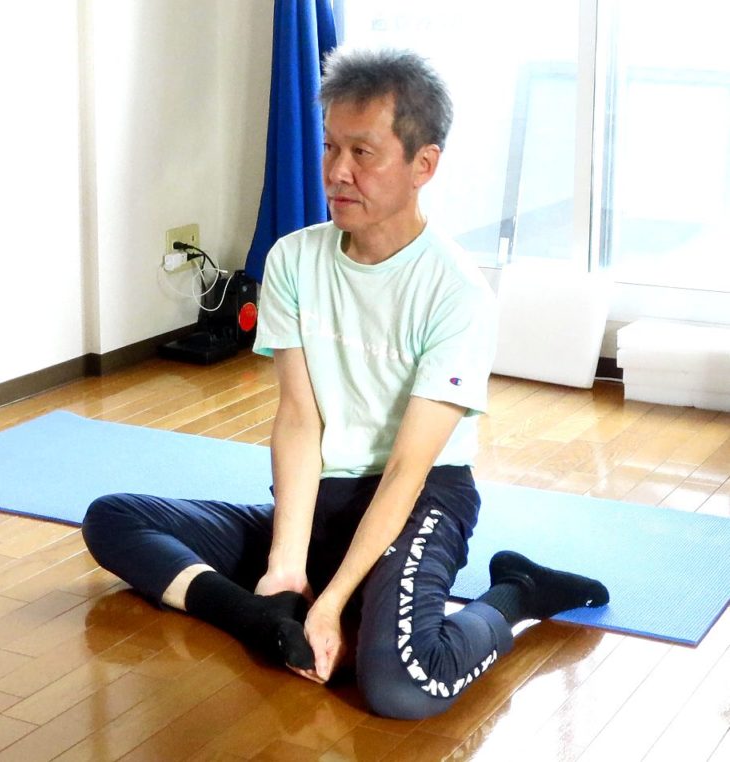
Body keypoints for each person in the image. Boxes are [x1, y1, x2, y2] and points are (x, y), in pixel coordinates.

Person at [82, 47, 609, 720]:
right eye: (330, 146)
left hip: (419, 500)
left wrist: (328, 605)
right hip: (323, 500)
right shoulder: (293, 259)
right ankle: (256, 616)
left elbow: (409, 468)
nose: (337, 171)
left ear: (424, 165)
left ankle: (517, 591)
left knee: (402, 687)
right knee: (114, 519)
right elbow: (299, 420)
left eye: (363, 153)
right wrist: (286, 566)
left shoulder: (457, 292)